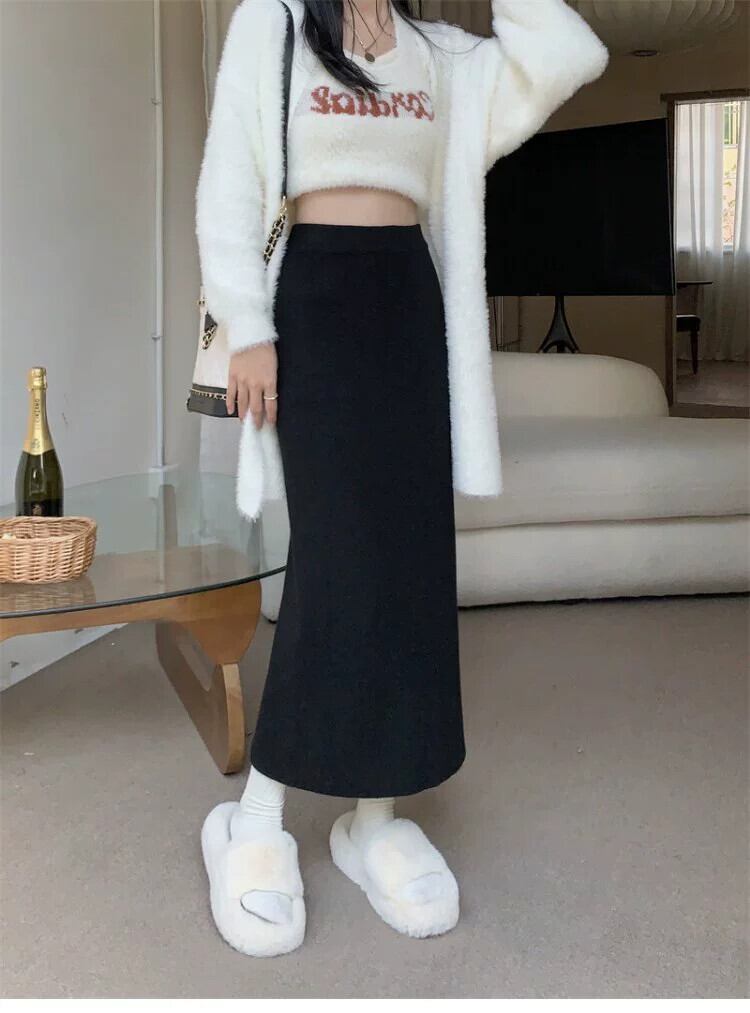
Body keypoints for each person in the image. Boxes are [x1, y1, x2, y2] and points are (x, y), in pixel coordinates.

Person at [195, 0, 608, 957]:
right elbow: (230, 179)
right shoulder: (274, 23)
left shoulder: (443, 56)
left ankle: (373, 817)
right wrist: (248, 326)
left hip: (408, 305)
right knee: (337, 557)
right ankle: (254, 818)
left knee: (408, 559)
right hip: (314, 300)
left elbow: (564, 54)